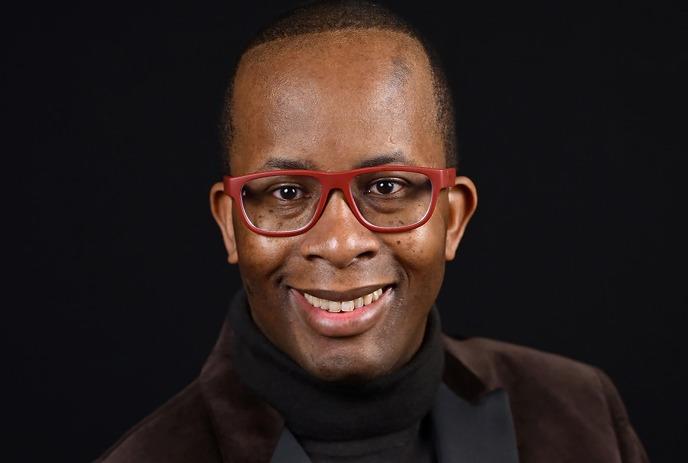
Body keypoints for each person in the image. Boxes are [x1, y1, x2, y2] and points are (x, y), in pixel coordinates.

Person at [96, 1, 649, 462]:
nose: (339, 243)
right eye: (287, 193)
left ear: (453, 219)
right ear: (229, 224)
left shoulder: (582, 415)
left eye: (386, 188)